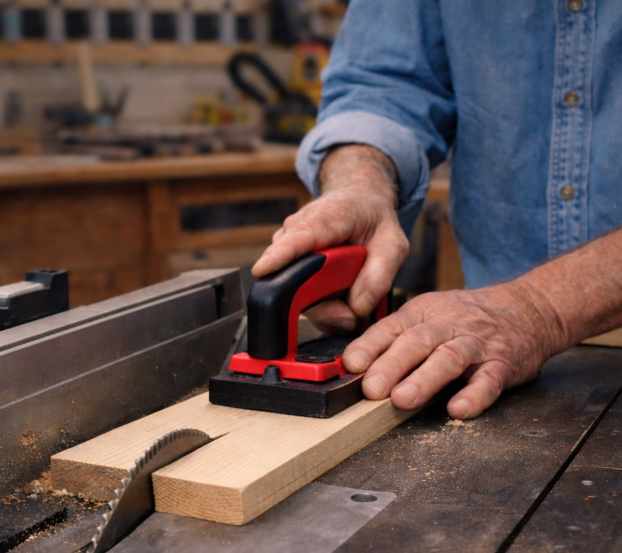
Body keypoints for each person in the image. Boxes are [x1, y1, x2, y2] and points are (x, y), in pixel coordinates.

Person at [252, 1, 622, 419]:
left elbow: (531, 310)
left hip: (505, 325)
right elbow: (383, 84)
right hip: (489, 348)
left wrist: (542, 307)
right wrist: (361, 184)